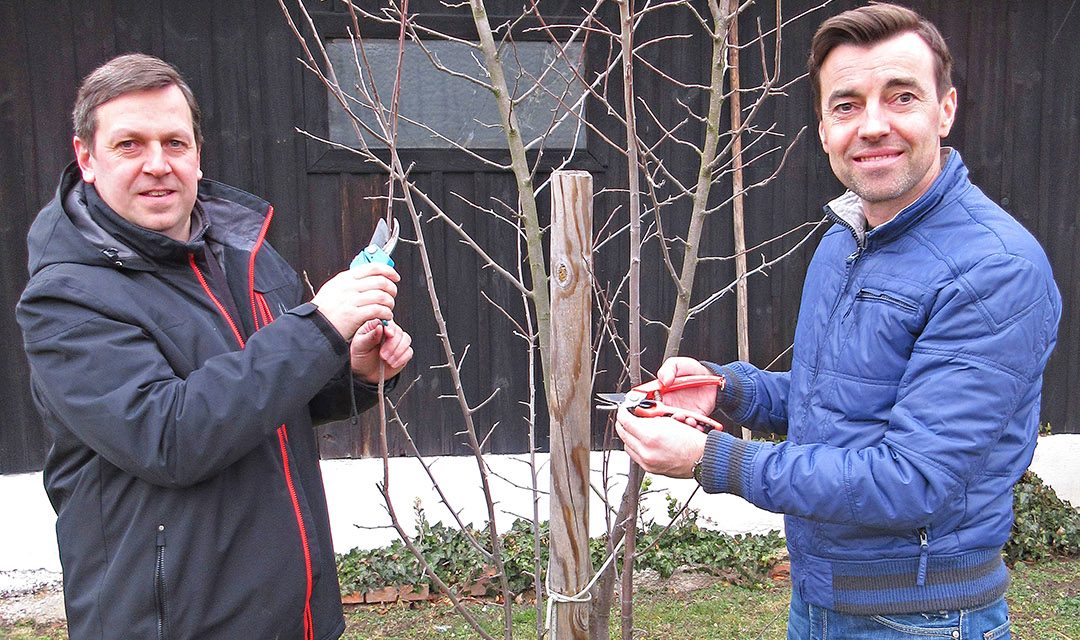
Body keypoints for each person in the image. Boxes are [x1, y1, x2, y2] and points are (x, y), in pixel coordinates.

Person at [615, 4, 1060, 639]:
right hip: (820, 603)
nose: (872, 125)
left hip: (923, 621)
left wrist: (714, 459)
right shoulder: (847, 240)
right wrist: (731, 390)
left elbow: (915, 479)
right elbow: (841, 404)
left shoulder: (993, 270)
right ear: (824, 128)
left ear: (946, 109)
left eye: (901, 96)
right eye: (846, 105)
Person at [16, 53, 413, 640]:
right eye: (130, 145)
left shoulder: (244, 256)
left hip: (296, 617)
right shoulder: (67, 299)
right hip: (172, 623)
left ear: (198, 155)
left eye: (175, 143)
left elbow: (272, 396)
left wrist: (349, 370)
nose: (158, 165)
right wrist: (318, 329)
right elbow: (170, 437)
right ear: (87, 159)